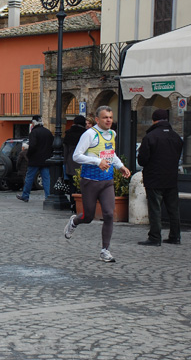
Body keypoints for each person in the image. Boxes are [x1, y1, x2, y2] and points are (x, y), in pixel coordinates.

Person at [64, 105, 131, 263]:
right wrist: (96, 161)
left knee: (109, 214)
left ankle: (105, 250)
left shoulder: (112, 134)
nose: (108, 120)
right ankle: (74, 221)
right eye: (105, 117)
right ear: (97, 119)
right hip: (90, 181)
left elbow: (111, 154)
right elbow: (76, 156)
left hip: (107, 181)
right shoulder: (89, 135)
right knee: (88, 216)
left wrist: (120, 166)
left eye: (110, 117)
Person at [137, 109, 184, 246]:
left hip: (154, 178)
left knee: (155, 209)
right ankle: (175, 236)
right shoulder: (176, 137)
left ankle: (155, 237)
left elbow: (142, 160)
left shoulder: (150, 137)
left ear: (154, 120)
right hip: (171, 178)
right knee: (173, 210)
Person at [16, 115, 52, 202]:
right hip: (46, 160)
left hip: (35, 160)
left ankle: (25, 195)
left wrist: (28, 155)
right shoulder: (48, 132)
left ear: (34, 123)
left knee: (29, 178)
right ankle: (48, 197)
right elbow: (52, 145)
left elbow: (32, 146)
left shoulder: (34, 133)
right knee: (46, 179)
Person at [63, 115, 87, 212]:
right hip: (83, 161)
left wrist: (65, 162)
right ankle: (82, 204)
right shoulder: (85, 134)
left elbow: (65, 150)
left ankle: (73, 203)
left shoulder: (68, 133)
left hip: (71, 161)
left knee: (72, 184)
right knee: (83, 184)